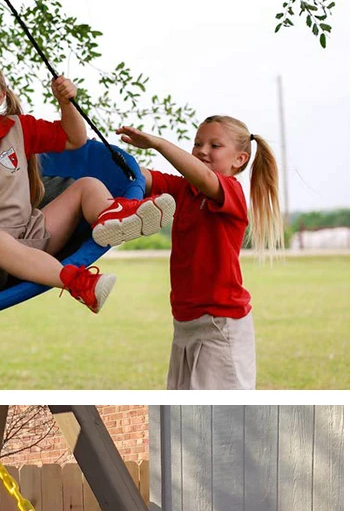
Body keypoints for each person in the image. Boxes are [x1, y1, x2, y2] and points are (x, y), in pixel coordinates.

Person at [0, 46, 175, 314]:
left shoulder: (18, 128)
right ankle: (78, 282)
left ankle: (113, 217)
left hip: (26, 236)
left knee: (86, 185)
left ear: (1, 95)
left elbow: (74, 138)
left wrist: (66, 103)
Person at [102, 116, 284, 389]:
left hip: (219, 328)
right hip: (184, 325)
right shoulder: (182, 190)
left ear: (239, 160)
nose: (202, 150)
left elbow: (205, 178)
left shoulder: (230, 192)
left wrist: (158, 144)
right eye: (197, 143)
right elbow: (139, 176)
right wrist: (98, 157)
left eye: (215, 145)